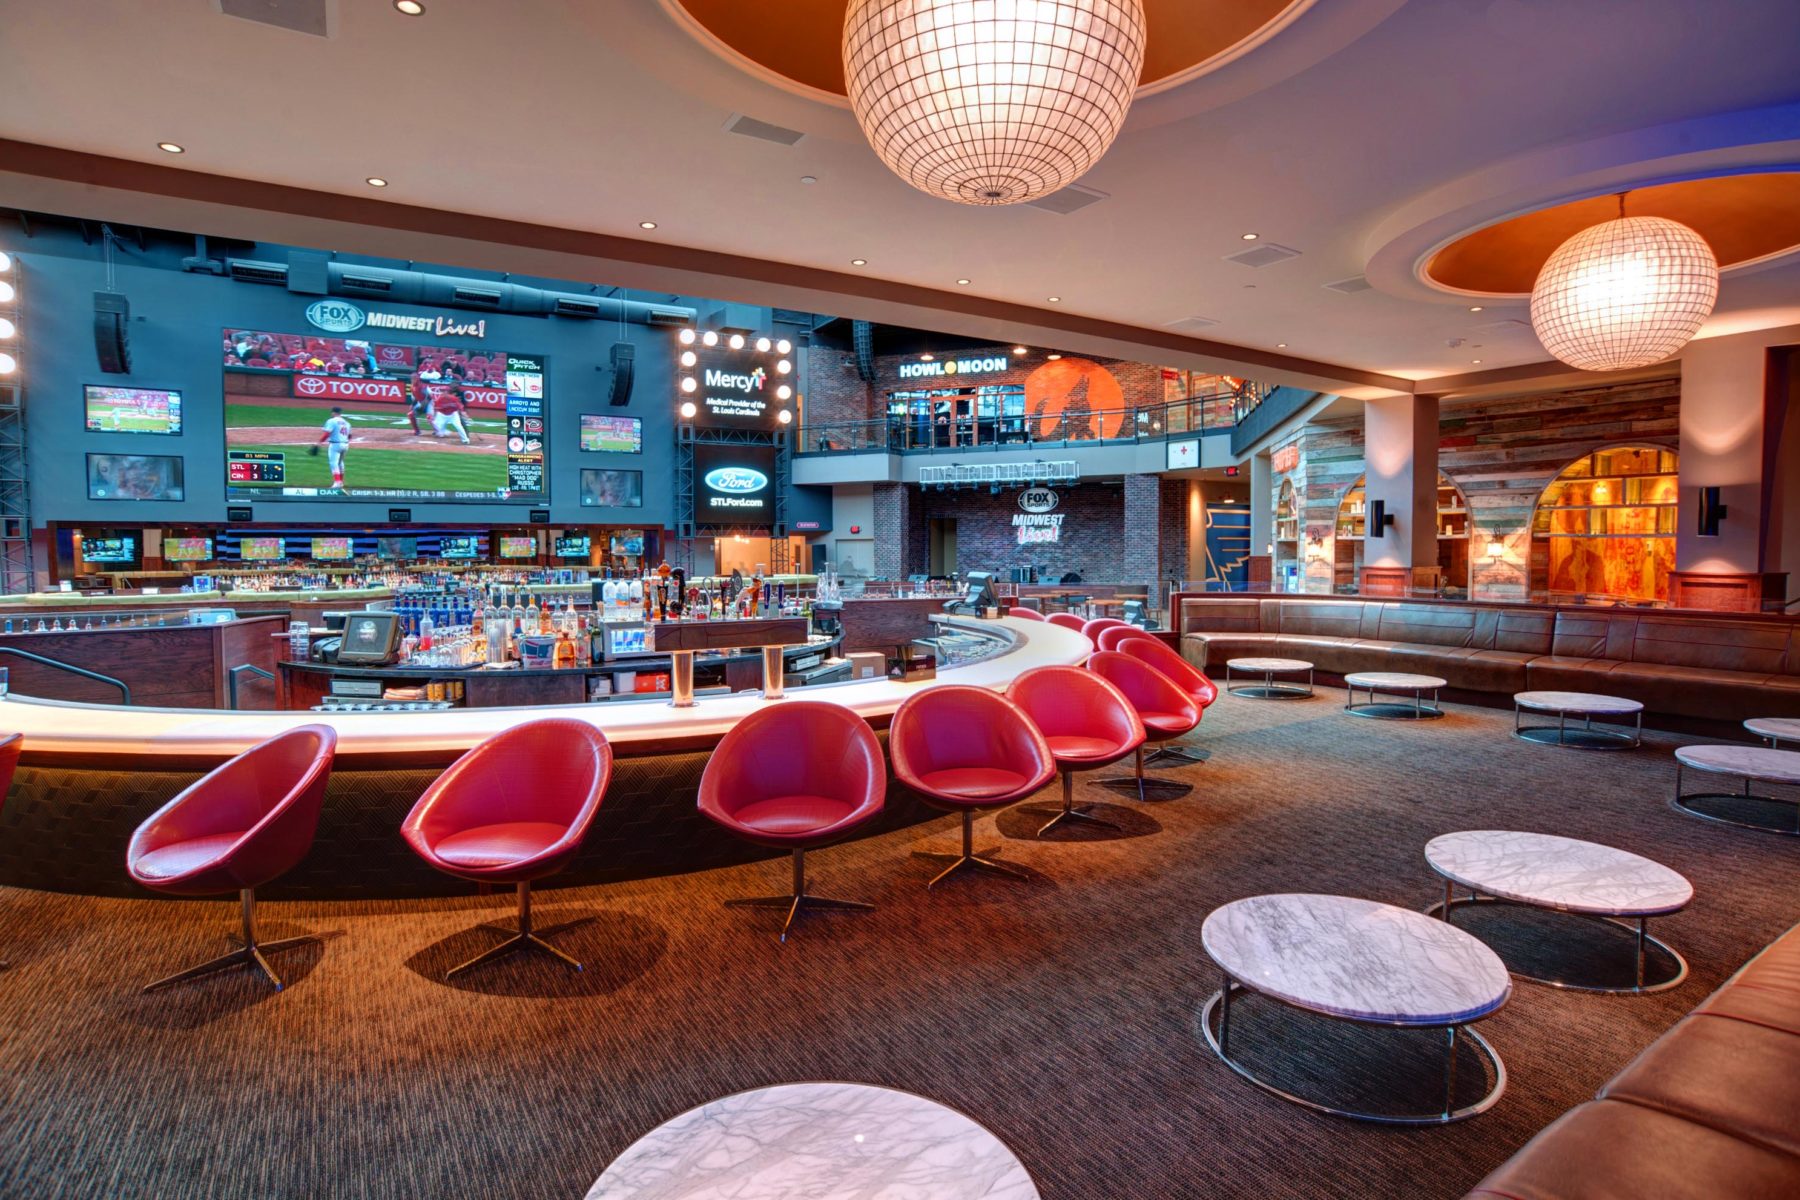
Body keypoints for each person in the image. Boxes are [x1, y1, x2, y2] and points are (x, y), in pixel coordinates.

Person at [316, 406, 352, 492]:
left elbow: (326, 434)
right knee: (340, 463)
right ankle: (341, 482)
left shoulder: (331, 421)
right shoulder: (347, 422)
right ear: (340, 413)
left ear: (333, 412)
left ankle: (337, 482)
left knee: (333, 463)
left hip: (335, 445)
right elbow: (350, 436)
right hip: (345, 445)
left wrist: (319, 443)